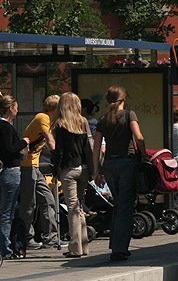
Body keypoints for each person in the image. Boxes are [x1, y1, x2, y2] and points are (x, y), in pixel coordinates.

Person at [92, 86, 145, 262]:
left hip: (109, 165)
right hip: (126, 162)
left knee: (117, 205)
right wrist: (144, 154)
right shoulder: (130, 115)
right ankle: (120, 248)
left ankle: (115, 243)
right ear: (123, 100)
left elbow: (97, 147)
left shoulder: (102, 120)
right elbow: (138, 137)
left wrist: (96, 169)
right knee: (125, 206)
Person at [52, 92, 93, 258]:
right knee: (79, 207)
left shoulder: (60, 124)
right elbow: (88, 148)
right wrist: (93, 169)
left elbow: (59, 151)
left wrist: (56, 171)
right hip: (83, 169)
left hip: (68, 170)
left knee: (72, 209)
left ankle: (75, 248)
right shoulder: (83, 122)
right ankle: (84, 245)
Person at [17, 95, 59, 251]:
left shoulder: (48, 120)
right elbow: (49, 140)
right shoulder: (43, 117)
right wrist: (57, 155)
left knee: (48, 200)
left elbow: (41, 146)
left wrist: (49, 154)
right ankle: (26, 238)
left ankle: (51, 238)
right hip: (26, 166)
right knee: (29, 204)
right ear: (55, 108)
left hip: (34, 165)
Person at [0, 94, 28, 259]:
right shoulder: (5, 127)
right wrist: (23, 142)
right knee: (7, 211)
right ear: (11, 108)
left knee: (8, 211)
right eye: (16, 107)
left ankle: (7, 246)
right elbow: (10, 149)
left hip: (8, 171)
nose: (18, 110)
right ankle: (6, 248)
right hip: (11, 171)